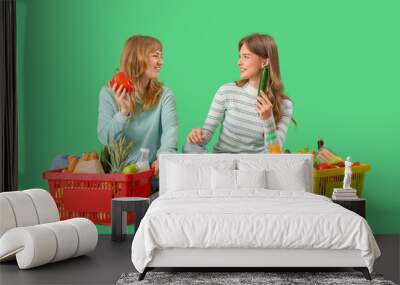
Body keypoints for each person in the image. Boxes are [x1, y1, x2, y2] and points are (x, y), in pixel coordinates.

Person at [185, 33, 294, 153]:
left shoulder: (285, 105)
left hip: (253, 167)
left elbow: (274, 152)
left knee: (275, 156)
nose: (239, 62)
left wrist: (268, 119)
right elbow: (205, 136)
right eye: (240, 56)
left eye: (246, 57)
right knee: (190, 146)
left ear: (265, 62)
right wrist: (196, 136)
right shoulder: (226, 91)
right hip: (222, 164)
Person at [97, 35, 178, 187]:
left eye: (161, 56)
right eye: (155, 56)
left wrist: (164, 157)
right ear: (138, 58)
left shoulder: (165, 95)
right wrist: (123, 112)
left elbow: (170, 130)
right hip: (120, 180)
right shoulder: (108, 93)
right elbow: (104, 138)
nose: (161, 62)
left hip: (152, 179)